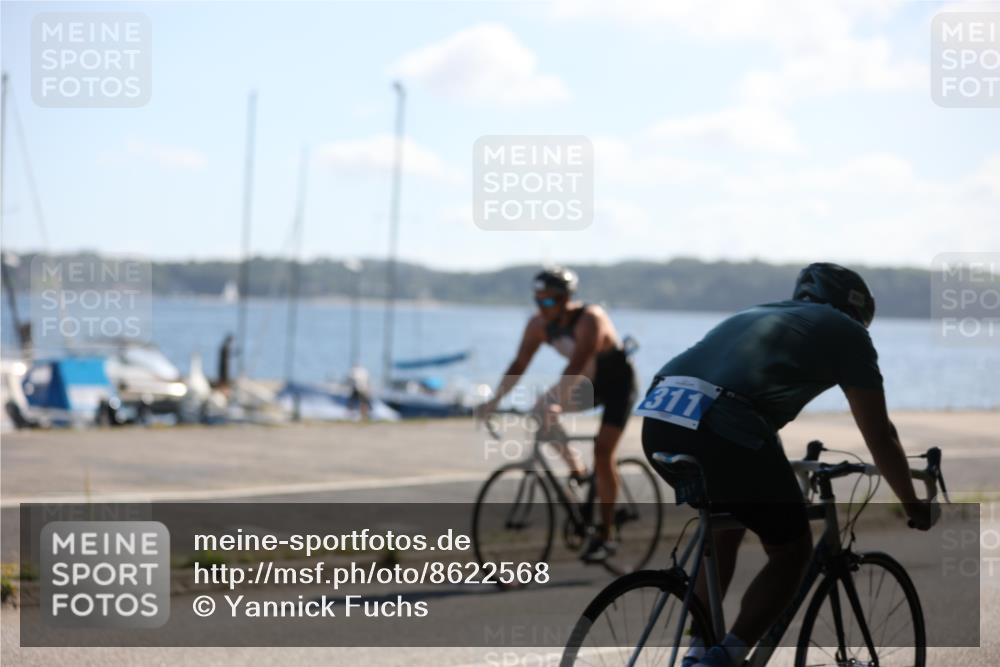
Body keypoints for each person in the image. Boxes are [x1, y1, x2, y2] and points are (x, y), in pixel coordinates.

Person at [639, 263, 933, 667]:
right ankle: (725, 657)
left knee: (725, 528)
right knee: (792, 551)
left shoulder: (758, 312)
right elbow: (880, 434)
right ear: (858, 314)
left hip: (659, 420)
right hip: (723, 430)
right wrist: (912, 501)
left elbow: (736, 397)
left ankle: (698, 649)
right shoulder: (848, 333)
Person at [477, 267, 637, 563]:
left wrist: (558, 404)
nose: (542, 307)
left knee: (603, 452)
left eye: (549, 301)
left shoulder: (591, 319)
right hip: (587, 383)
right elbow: (519, 363)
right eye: (538, 301)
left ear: (565, 300)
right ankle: (579, 472)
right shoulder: (538, 324)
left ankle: (607, 533)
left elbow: (577, 364)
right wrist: (494, 400)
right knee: (540, 410)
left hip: (617, 385)